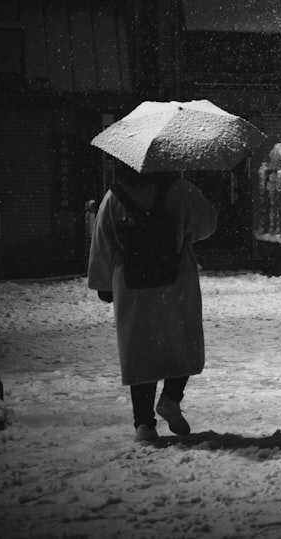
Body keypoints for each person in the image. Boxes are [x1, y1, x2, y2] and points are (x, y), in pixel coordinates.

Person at [87, 161, 218, 442]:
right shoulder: (181, 190)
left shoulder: (115, 196)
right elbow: (208, 224)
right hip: (176, 281)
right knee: (183, 341)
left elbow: (102, 240)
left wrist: (102, 283)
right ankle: (171, 397)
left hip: (132, 285)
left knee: (140, 350)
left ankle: (144, 424)